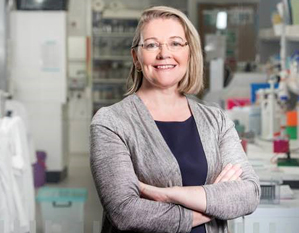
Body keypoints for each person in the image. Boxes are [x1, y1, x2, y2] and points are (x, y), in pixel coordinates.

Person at [90, 6, 260, 233]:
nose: (164, 54)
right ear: (136, 58)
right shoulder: (112, 122)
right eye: (151, 45)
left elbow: (249, 193)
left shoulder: (216, 120)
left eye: (176, 43)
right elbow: (125, 212)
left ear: (189, 53)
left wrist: (171, 195)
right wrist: (212, 201)